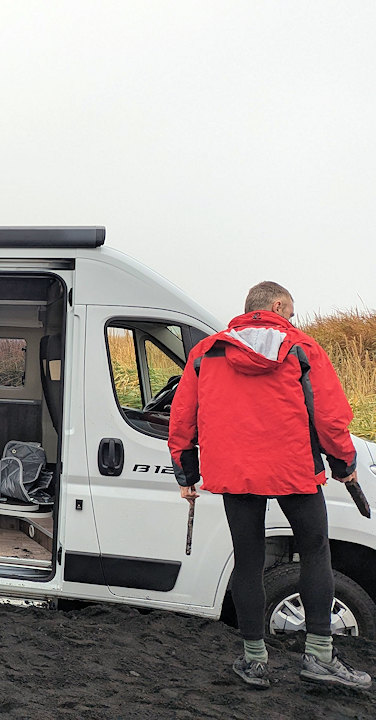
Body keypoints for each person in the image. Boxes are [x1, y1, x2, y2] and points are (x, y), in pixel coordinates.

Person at [169, 281, 369, 690]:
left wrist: (187, 475)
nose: (292, 319)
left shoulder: (206, 353)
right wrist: (344, 464)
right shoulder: (301, 348)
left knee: (248, 559)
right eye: (291, 312)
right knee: (315, 552)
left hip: (235, 473)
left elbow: (182, 418)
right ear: (277, 305)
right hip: (293, 469)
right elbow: (329, 416)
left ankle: (254, 660)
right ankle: (319, 656)